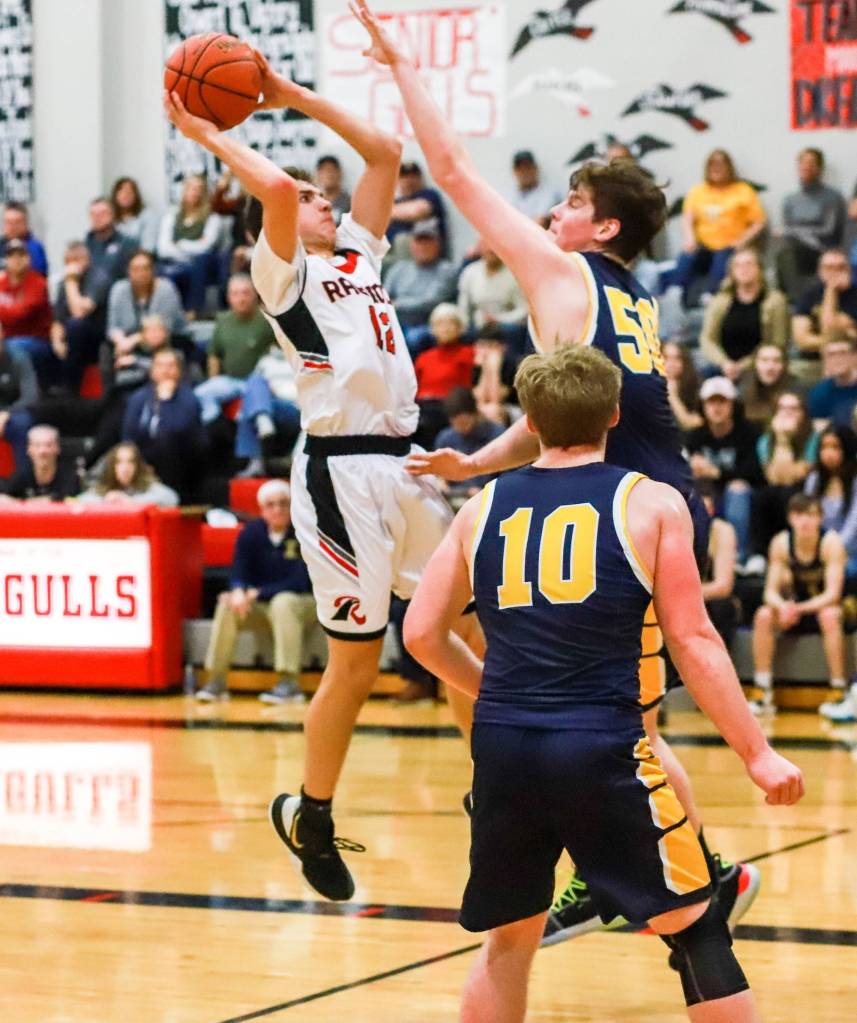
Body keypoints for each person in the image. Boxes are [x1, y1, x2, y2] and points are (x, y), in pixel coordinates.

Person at [352, 0, 758, 946]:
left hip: (623, 510)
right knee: (624, 717)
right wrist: (485, 454)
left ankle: (694, 876)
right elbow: (572, 414)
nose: (552, 212)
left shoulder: (559, 272)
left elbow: (448, 170)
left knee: (623, 722)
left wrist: (402, 63)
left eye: (571, 203)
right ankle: (656, 870)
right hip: (640, 494)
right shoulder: (627, 296)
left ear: (599, 224)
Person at [402, 343, 803, 1023]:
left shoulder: (482, 505)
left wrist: (489, 693)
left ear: (528, 419)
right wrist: (755, 752)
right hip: (602, 745)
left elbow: (419, 634)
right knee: (696, 921)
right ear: (615, 414)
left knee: (509, 939)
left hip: (502, 748)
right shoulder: (650, 502)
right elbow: (694, 638)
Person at [165, 46, 480, 903]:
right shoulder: (285, 273)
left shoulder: (359, 257)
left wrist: (286, 91)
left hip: (407, 464)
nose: (323, 198)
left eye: (322, 194)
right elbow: (271, 190)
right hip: (341, 475)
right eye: (311, 196)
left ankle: (489, 788)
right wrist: (207, 131)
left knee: (470, 629)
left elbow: (383, 154)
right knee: (357, 663)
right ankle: (310, 810)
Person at [196, 479, 317, 705]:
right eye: (271, 505)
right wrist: (238, 591)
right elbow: (238, 571)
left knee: (284, 602)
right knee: (228, 604)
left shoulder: (303, 532)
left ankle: (289, 682)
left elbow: (300, 581)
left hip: (304, 605)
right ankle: (216, 680)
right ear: (262, 510)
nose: (278, 509)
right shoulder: (251, 533)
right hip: (265, 606)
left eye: (283, 504)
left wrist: (257, 593)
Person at [752, 493, 847, 715]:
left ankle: (838, 689)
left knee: (830, 615)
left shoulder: (831, 543)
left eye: (811, 515)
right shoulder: (781, 543)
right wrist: (784, 607)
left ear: (820, 518)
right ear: (790, 518)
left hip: (820, 609)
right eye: (799, 515)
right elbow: (770, 593)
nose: (805, 521)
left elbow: (833, 595)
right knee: (764, 614)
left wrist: (799, 608)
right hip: (793, 610)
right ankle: (762, 690)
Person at [673, 150, 766, 306]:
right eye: (712, 164)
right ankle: (676, 294)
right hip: (702, 245)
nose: (716, 168)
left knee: (722, 260)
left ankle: (711, 298)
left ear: (729, 167)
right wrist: (689, 238)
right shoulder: (698, 191)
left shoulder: (743, 190)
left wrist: (742, 241)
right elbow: (688, 217)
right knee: (686, 257)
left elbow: (759, 222)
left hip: (730, 245)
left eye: (721, 164)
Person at [686, 376, 761, 564]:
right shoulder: (695, 436)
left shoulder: (749, 433)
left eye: (722, 401)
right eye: (711, 402)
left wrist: (716, 473)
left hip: (743, 496)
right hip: (707, 492)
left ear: (733, 405)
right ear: (703, 406)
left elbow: (755, 472)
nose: (717, 407)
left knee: (737, 490)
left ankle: (738, 558)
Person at [122, 347, 207, 502]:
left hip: (181, 462)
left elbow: (179, 432)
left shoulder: (189, 399)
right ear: (152, 371)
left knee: (167, 442)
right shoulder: (139, 398)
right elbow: (129, 436)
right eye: (160, 365)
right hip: (143, 463)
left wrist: (165, 403)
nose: (165, 370)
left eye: (170, 366)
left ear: (179, 371)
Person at [194, 274, 275, 424]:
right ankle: (213, 424)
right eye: (235, 294)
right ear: (229, 297)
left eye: (245, 293)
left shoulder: (268, 320)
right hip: (230, 381)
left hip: (258, 382)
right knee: (200, 394)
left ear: (255, 295)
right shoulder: (223, 320)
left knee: (248, 410)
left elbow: (282, 350)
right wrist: (214, 380)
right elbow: (214, 354)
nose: (241, 298)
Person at [699, 247, 789, 381]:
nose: (743, 269)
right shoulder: (720, 301)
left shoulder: (775, 301)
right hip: (722, 366)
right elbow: (707, 339)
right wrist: (724, 363)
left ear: (760, 269)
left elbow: (777, 341)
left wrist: (743, 365)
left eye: (748, 264)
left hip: (760, 367)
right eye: (738, 265)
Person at [777, 148, 847, 304]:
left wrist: (794, 231)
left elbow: (829, 230)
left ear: (820, 168)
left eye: (811, 163)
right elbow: (787, 231)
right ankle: (797, 303)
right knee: (784, 253)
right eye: (802, 162)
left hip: (824, 249)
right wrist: (794, 232)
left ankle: (802, 304)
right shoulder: (790, 199)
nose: (806, 166)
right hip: (797, 250)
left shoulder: (833, 197)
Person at [753, 392, 818, 557]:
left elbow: (795, 476)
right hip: (776, 490)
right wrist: (781, 438)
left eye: (793, 408)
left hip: (805, 488)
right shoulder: (765, 441)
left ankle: (791, 551)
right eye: (782, 408)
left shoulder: (813, 439)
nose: (787, 413)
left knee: (788, 494)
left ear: (803, 413)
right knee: (763, 496)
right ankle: (761, 556)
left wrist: (784, 440)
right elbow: (773, 478)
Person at [383, 217, 458, 345]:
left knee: (413, 338)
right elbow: (382, 297)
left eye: (428, 241)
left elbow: (430, 302)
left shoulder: (446, 270)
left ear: (438, 244)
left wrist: (397, 304)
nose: (423, 246)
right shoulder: (399, 268)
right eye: (419, 241)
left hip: (429, 324)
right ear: (411, 245)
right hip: (396, 322)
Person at [156, 174, 222, 317]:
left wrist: (180, 244)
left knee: (200, 260)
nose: (195, 192)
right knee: (162, 270)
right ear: (184, 191)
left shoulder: (212, 218)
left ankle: (193, 310)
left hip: (202, 264)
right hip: (175, 263)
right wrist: (188, 249)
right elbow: (163, 249)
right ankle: (166, 315)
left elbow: (206, 246)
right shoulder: (171, 217)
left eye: (199, 189)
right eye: (191, 188)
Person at [51, 240, 112, 393]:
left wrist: (71, 282)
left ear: (87, 260)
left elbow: (80, 312)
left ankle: (70, 387)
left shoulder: (99, 278)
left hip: (96, 336)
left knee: (75, 326)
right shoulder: (62, 284)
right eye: (68, 261)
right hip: (71, 338)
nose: (72, 266)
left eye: (76, 260)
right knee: (44, 348)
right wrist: (57, 342)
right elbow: (58, 319)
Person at [413, 303, 475, 447]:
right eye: (439, 323)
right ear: (432, 329)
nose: (445, 328)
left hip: (452, 406)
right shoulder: (424, 357)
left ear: (460, 328)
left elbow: (470, 385)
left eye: (450, 323)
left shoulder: (468, 354)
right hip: (424, 405)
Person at [106, 249, 187, 359]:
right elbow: (113, 327)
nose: (141, 273)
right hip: (130, 342)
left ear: (153, 270)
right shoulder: (119, 289)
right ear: (128, 271)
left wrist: (132, 341)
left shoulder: (166, 289)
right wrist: (121, 342)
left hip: (168, 340)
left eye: (145, 268)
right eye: (136, 269)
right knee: (106, 348)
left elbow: (163, 330)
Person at [792, 248, 857, 376]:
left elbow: (830, 327)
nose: (834, 272)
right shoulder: (809, 295)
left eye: (840, 268)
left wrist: (830, 290)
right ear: (820, 271)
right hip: (813, 360)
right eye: (829, 268)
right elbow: (801, 339)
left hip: (851, 359)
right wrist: (840, 342)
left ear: (848, 271)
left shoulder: (855, 295)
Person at [456, 239, 528, 353]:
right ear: (480, 248)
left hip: (507, 325)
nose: (491, 250)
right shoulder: (470, 272)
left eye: (495, 247)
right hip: (478, 325)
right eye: (487, 246)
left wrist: (498, 320)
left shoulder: (515, 272)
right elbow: (463, 308)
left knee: (513, 332)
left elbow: (524, 311)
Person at [804, 425, 857, 578]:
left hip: (851, 551)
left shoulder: (854, 480)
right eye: (824, 447)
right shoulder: (814, 479)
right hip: (818, 550)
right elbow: (809, 515)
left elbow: (853, 524)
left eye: (835, 447)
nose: (829, 454)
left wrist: (834, 550)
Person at [0, 239, 54, 387]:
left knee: (15, 346)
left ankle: (27, 398)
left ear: (28, 258)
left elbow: (20, 315)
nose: (16, 260)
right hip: (6, 341)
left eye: (21, 255)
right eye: (12, 256)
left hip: (37, 342)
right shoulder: (2, 284)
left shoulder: (38, 283)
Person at [433, 387, 504, 499]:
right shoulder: (445, 438)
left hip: (489, 496)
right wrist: (441, 483)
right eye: (457, 424)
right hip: (456, 496)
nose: (462, 428)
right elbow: (440, 478)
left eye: (465, 423)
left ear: (475, 414)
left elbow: (506, 477)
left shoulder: (497, 435)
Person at [696, 480, 739, 650]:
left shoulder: (722, 531)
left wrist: (681, 597)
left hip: (707, 600)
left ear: (712, 511)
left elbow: (723, 586)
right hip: (684, 599)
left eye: (705, 510)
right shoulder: (674, 529)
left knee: (722, 606)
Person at [78, 442, 178, 507]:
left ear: (137, 466)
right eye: (119, 462)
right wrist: (107, 502)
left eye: (130, 462)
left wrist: (130, 501)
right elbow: (80, 501)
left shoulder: (146, 485)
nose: (125, 468)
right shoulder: (105, 487)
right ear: (112, 466)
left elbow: (171, 498)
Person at [386, 160, 449, 258]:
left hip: (425, 256)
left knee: (402, 240)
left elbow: (417, 211)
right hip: (391, 255)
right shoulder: (394, 202)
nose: (409, 180)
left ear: (420, 178)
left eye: (413, 176)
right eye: (404, 176)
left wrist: (384, 212)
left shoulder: (429, 195)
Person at [0, 424, 79, 501]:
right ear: (29, 449)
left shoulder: (69, 475)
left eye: (48, 445)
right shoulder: (22, 474)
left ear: (57, 448)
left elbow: (72, 501)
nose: (42, 451)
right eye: (37, 446)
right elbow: (5, 498)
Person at [738, 344, 802, 429]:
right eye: (764, 360)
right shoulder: (743, 391)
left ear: (785, 365)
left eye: (776, 361)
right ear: (755, 364)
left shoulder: (796, 391)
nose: (770, 367)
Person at [0, 326, 37, 468]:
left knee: (23, 423)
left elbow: (31, 396)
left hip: (15, 411)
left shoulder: (19, 357)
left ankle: (22, 480)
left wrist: (6, 413)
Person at [807, 337, 857, 428]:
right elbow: (820, 430)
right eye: (831, 355)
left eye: (843, 353)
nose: (837, 359)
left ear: (854, 357)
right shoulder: (819, 393)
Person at [85, 196, 136, 284]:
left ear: (112, 215)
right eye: (93, 214)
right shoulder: (85, 245)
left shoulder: (127, 244)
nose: (97, 218)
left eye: (102, 213)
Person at [506, 149, 562, 227]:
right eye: (520, 168)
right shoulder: (508, 195)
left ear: (536, 168)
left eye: (528, 167)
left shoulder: (550, 192)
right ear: (514, 171)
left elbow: (539, 223)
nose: (524, 172)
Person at [662, 340, 702, 433]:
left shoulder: (697, 387)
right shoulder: (648, 387)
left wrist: (672, 395)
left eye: (677, 358)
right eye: (665, 358)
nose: (671, 363)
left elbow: (695, 424)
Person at [110, 177, 160, 253]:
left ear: (136, 196)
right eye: (121, 192)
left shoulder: (147, 216)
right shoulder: (110, 217)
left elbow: (148, 248)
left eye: (129, 192)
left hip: (138, 261)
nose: (125, 195)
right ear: (115, 195)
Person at [1, 202, 48, 276]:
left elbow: (39, 277)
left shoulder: (35, 248)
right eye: (9, 222)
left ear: (25, 223)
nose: (12, 227)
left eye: (17, 222)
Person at [315, 155, 351, 224]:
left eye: (332, 169)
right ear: (318, 174)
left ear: (339, 173)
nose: (329, 174)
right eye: (324, 170)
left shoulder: (349, 202)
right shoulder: (313, 202)